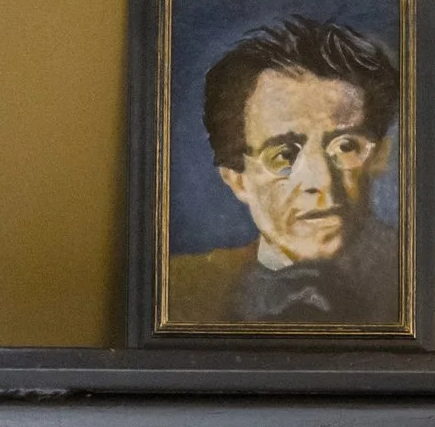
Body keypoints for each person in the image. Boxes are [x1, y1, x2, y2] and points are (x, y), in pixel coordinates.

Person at [167, 17, 401, 326]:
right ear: (237, 179)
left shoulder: (417, 274)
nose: (320, 182)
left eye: (346, 147)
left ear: (379, 156)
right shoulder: (180, 288)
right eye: (284, 155)